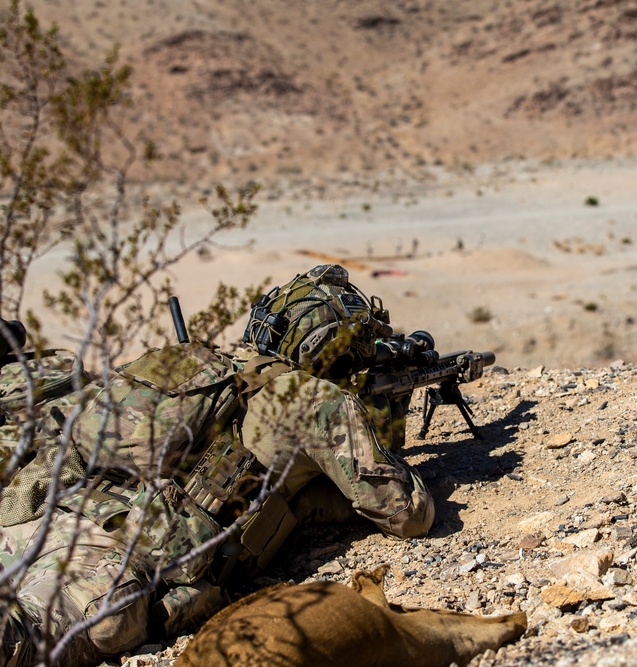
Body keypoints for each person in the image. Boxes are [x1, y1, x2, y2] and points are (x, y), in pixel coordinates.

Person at [0, 265, 434, 667]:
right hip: (107, 563)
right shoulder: (314, 400)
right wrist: (377, 428)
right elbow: (407, 516)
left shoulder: (204, 372)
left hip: (42, 518)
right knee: (18, 641)